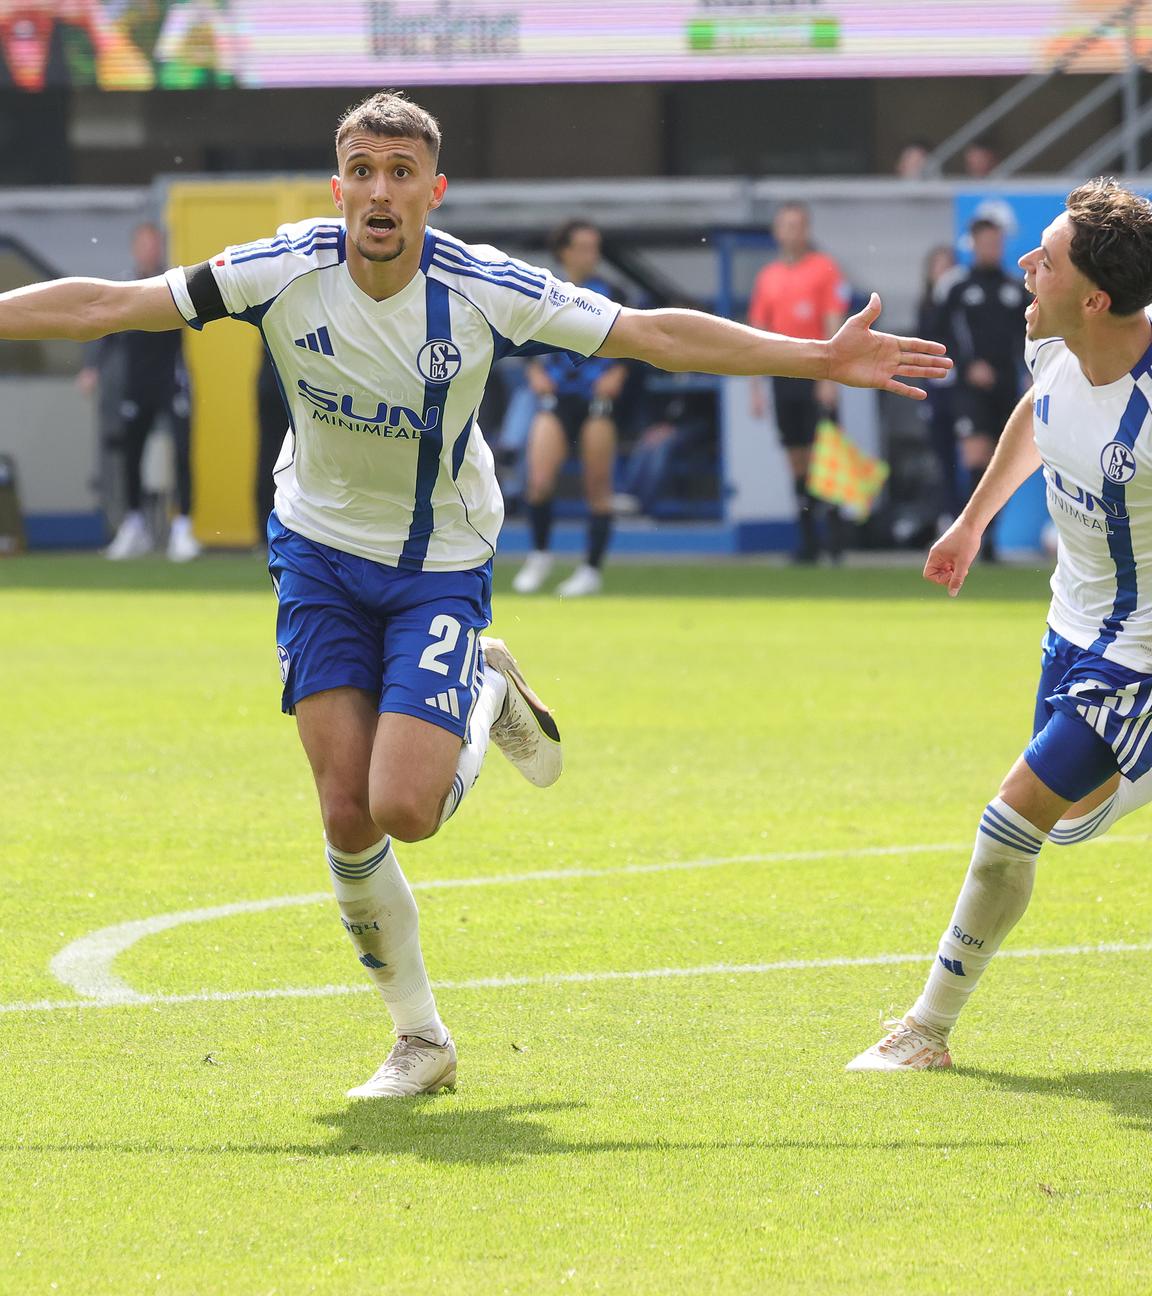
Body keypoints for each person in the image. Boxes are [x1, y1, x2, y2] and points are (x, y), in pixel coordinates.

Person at [0, 90, 949, 1099]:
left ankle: (486, 690)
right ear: (338, 187)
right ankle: (421, 1041)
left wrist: (815, 357)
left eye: (400, 174)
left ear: (432, 192)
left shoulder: (484, 288)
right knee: (342, 812)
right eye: (362, 170)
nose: (379, 191)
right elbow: (108, 303)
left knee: (402, 807)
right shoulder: (280, 268)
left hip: (437, 561)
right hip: (317, 551)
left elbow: (647, 334)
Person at [848, 178, 1152, 1072]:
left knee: (1008, 822)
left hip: (1136, 654)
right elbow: (1037, 413)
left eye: (1045, 259)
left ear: (1095, 297)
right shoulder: (1060, 348)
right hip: (1070, 624)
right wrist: (973, 521)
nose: (1027, 264)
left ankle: (926, 1029)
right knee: (1068, 823)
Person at [512, 220, 629, 598]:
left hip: (597, 398)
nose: (590, 255)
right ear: (564, 251)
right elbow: (516, 338)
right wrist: (533, 371)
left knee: (597, 486)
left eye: (595, 247)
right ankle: (540, 554)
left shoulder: (611, 293)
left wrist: (619, 374)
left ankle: (591, 569)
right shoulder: (546, 290)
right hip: (558, 396)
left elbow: (635, 342)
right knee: (539, 480)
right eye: (582, 247)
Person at [81, 221, 200, 562]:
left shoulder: (175, 283)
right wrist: (92, 370)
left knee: (181, 450)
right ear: (136, 249)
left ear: (160, 247)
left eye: (154, 244)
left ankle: (183, 527)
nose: (149, 251)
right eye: (143, 245)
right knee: (131, 452)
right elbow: (105, 332)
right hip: (137, 384)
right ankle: (133, 526)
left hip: (171, 381)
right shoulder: (123, 286)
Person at [748, 201, 850, 562]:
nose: (791, 232)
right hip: (782, 375)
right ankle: (808, 541)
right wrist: (755, 386)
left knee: (825, 455)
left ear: (806, 230)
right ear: (778, 231)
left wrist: (830, 375)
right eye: (785, 226)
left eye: (797, 225)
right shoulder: (768, 276)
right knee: (795, 457)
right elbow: (757, 333)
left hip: (814, 373)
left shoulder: (824, 269)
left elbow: (833, 321)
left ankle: (836, 541)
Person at [936, 216, 1027, 559]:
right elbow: (938, 333)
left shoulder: (1015, 287)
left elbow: (1030, 335)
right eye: (986, 242)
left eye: (997, 242)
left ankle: (989, 539)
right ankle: (970, 534)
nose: (992, 248)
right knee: (976, 456)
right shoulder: (955, 286)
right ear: (972, 243)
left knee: (1000, 465)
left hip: (1007, 388)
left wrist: (1030, 371)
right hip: (969, 389)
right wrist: (966, 365)